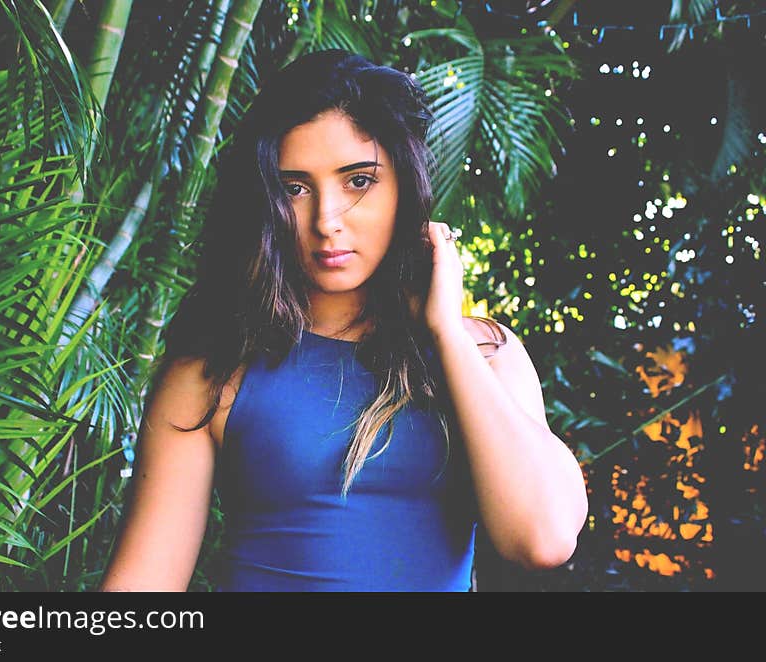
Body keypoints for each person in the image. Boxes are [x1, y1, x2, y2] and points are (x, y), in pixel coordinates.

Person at [99, 49, 588, 592]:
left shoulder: (487, 355)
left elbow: (542, 538)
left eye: (358, 181)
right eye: (295, 187)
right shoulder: (214, 373)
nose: (326, 220)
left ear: (405, 185)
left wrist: (448, 332)